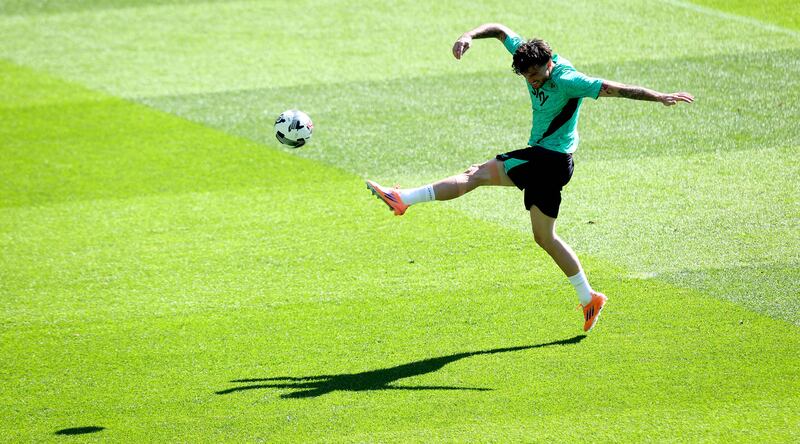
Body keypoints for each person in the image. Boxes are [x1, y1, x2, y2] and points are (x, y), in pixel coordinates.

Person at [365, 23, 694, 332]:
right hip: (555, 164)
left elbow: (615, 89)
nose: (533, 82)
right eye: (527, 77)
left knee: (475, 174)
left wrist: (658, 95)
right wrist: (467, 36)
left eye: (536, 76)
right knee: (545, 238)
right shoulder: (526, 55)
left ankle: (403, 198)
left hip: (547, 158)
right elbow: (499, 30)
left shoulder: (568, 79)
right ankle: (589, 299)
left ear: (548, 62)